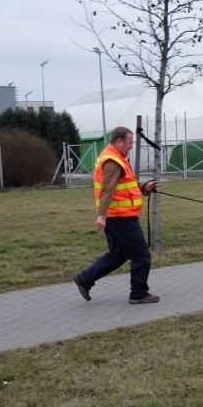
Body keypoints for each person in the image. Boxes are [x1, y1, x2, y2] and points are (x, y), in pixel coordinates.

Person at [74, 126, 160, 304]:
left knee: (118, 254)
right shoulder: (113, 161)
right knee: (141, 254)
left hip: (117, 217)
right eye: (129, 143)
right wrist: (101, 216)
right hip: (121, 218)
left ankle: (84, 279)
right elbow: (107, 189)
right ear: (119, 141)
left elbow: (128, 184)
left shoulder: (117, 157)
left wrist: (145, 187)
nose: (131, 146)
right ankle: (138, 293)